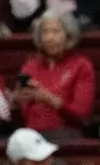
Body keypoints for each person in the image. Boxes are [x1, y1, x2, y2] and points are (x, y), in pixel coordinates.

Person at [14, 11, 94, 139]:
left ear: (68, 35)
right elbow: (20, 116)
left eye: (55, 32)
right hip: (31, 134)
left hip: (66, 132)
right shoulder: (29, 67)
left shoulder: (81, 65)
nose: (49, 38)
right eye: (45, 32)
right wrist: (16, 101)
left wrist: (49, 99)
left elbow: (82, 113)